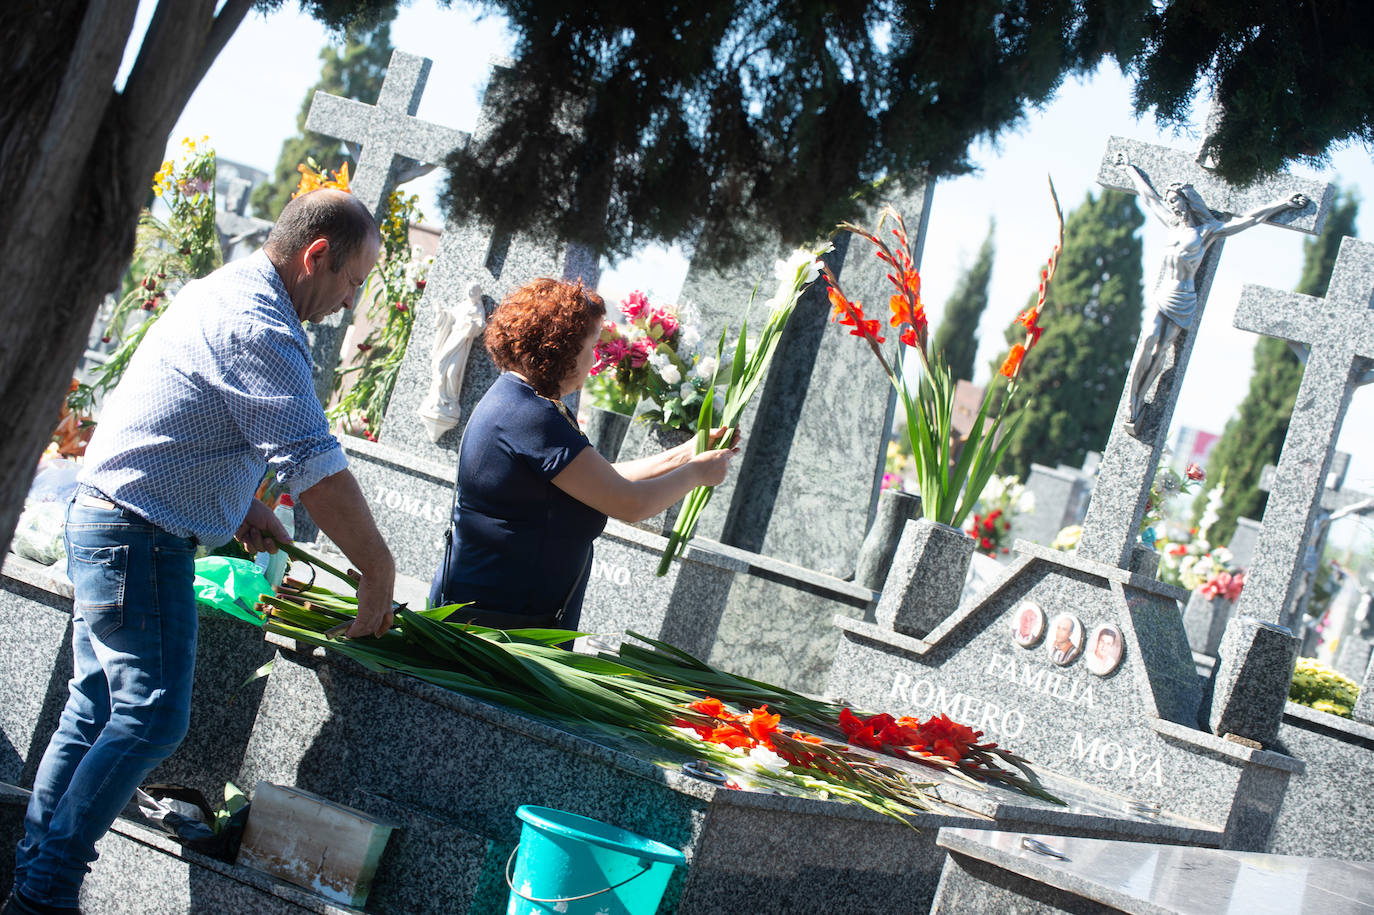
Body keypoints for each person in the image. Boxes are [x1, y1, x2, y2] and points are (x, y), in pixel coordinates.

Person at [7, 189, 396, 915]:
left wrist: (239, 504)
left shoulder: (228, 289)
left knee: (95, 712)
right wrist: (379, 567)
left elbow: (188, 412)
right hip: (140, 536)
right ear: (316, 256)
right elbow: (312, 462)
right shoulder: (262, 325)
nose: (349, 302)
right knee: (152, 717)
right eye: (351, 281)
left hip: (109, 519)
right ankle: (44, 894)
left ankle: (33, 880)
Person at [430, 277, 737, 629]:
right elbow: (630, 504)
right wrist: (698, 473)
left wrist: (686, 453)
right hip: (497, 623)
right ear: (562, 348)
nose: (594, 359)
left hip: (500, 614)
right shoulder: (531, 416)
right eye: (591, 345)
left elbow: (604, 479)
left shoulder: (521, 402)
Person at [1114, 152, 1309, 431]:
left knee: (1161, 352)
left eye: (1177, 203)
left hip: (1183, 299)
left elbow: (1250, 219)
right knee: (1147, 341)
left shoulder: (1207, 231)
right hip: (1163, 294)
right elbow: (1149, 198)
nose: (1174, 208)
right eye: (1171, 203)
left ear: (1189, 202)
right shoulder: (1171, 224)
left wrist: (1282, 203)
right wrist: (1129, 170)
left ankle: (1140, 402)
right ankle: (1132, 402)